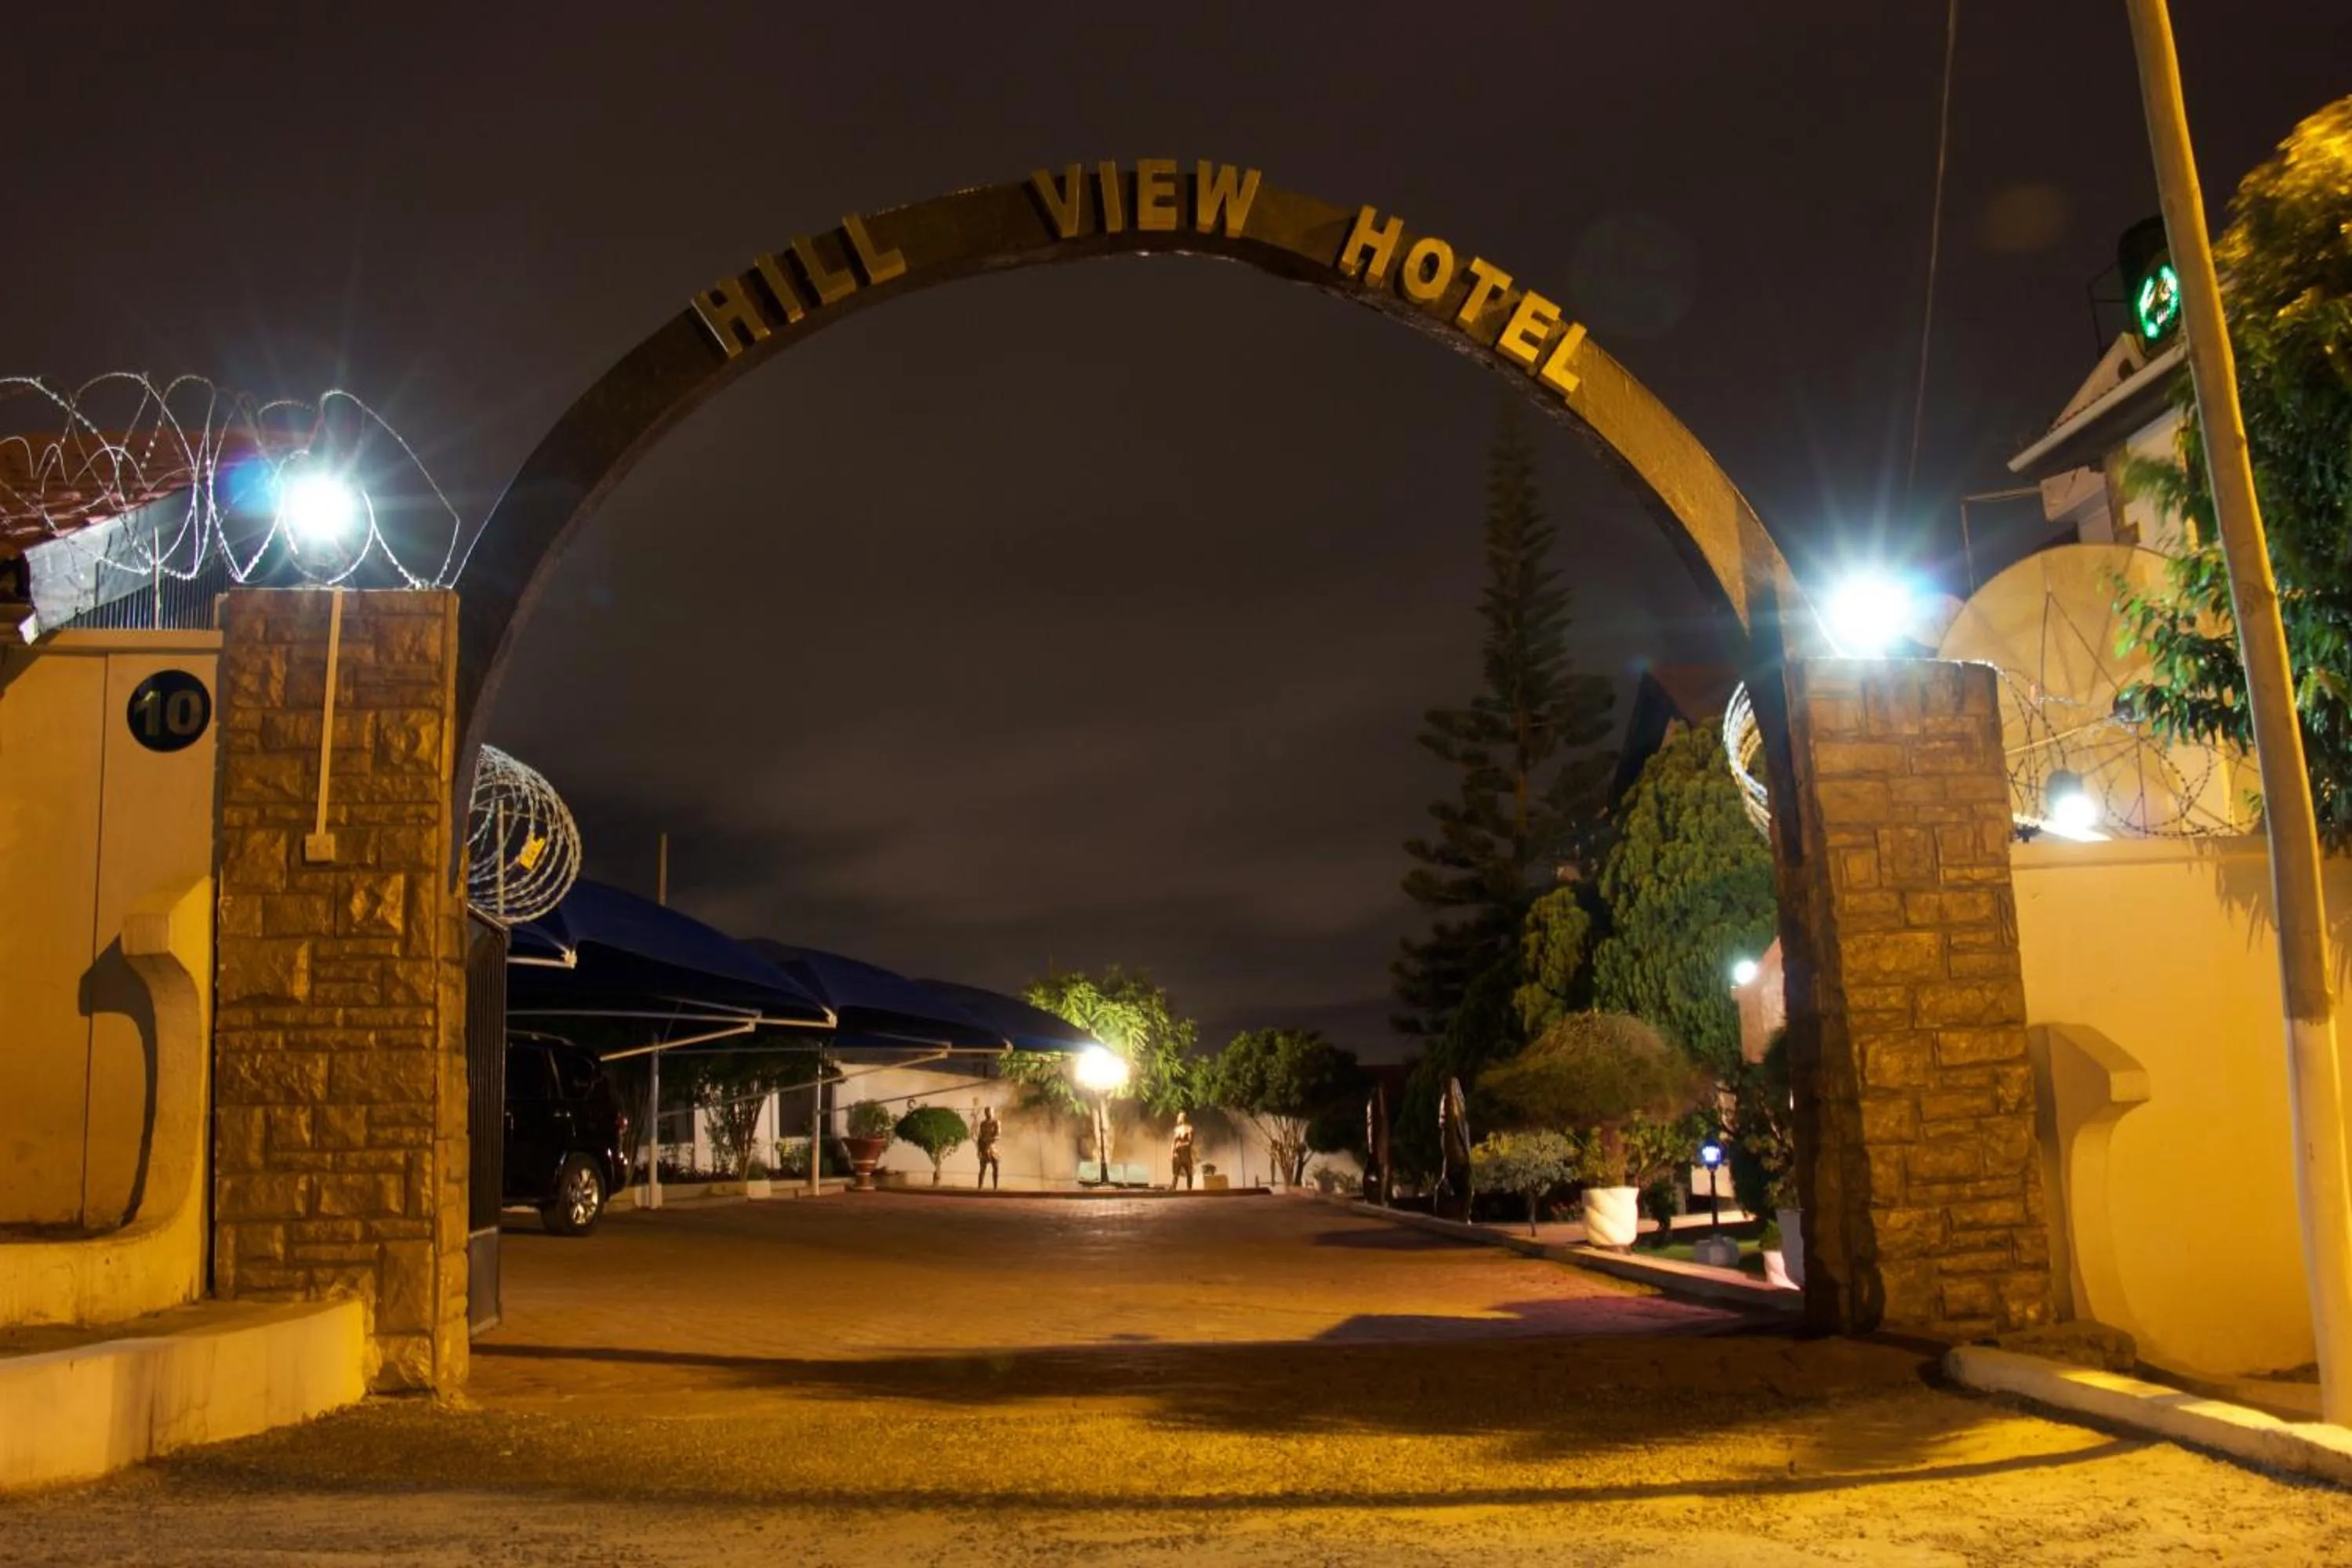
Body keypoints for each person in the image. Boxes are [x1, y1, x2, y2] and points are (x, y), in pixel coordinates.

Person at [975, 1105, 1001, 1190]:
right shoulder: (983, 1124)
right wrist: (979, 1149)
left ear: (993, 1113)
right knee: (982, 1169)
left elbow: (998, 1136)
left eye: (990, 1112)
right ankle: (980, 1188)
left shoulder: (996, 1122)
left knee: (996, 1168)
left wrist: (990, 1142)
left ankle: (995, 1188)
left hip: (993, 1149)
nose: (988, 1113)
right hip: (984, 1148)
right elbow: (980, 1137)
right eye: (987, 1112)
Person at [1168, 1110, 1196, 1191]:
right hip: (1177, 1154)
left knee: (1189, 1173)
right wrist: (1172, 1153)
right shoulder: (1177, 1129)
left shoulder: (1189, 1129)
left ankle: (1189, 1189)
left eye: (1181, 1117)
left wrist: (1181, 1145)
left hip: (1185, 1154)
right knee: (1175, 1174)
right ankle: (1173, 1189)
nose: (1179, 1118)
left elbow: (1190, 1142)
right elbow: (1174, 1142)